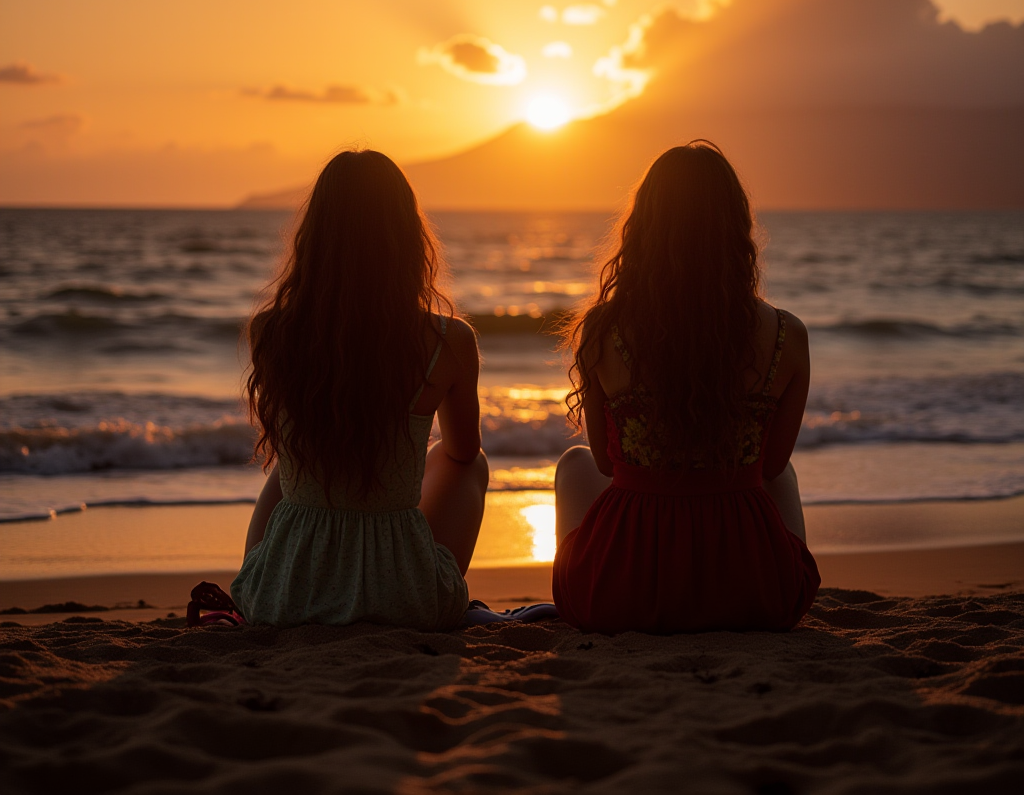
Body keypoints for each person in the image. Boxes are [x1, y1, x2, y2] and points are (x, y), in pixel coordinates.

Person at [552, 142, 820, 634]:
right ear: (736, 229)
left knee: (574, 467)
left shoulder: (603, 331)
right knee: (780, 476)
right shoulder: (787, 335)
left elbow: (608, 464)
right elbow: (774, 466)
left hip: (624, 594)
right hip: (754, 592)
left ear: (643, 230)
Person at [231, 150, 488, 630]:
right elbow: (463, 450)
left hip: (282, 598)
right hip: (405, 599)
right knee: (470, 464)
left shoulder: (271, 332)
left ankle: (261, 574)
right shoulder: (449, 341)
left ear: (316, 238)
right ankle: (410, 568)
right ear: (409, 239)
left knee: (288, 465)